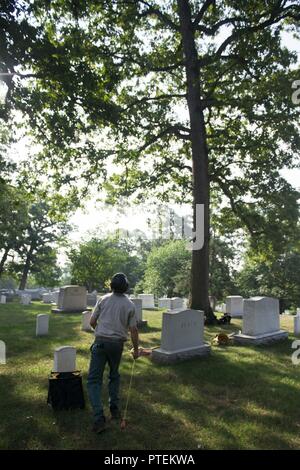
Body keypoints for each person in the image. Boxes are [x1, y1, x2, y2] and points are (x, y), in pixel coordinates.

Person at [87, 272, 139, 434]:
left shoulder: (103, 299)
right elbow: (133, 330)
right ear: (126, 287)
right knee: (114, 375)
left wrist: (101, 333)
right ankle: (114, 409)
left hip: (100, 343)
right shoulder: (130, 305)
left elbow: (92, 322)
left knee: (94, 380)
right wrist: (136, 349)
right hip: (117, 345)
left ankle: (99, 418)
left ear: (111, 285)